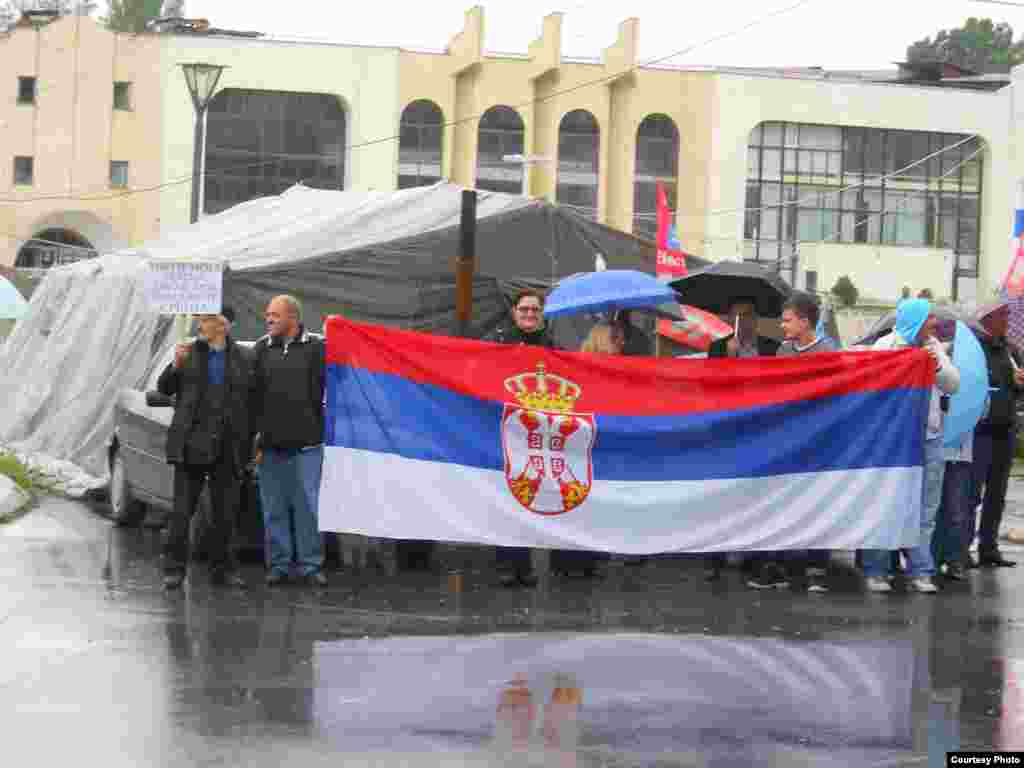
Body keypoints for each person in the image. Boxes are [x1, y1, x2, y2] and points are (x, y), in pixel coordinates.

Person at [861, 299, 960, 594]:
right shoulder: (884, 346)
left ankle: (920, 570)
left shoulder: (933, 347)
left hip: (928, 437)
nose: (935, 324)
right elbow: (868, 385)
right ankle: (877, 569)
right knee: (883, 502)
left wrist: (937, 366)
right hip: (891, 439)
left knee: (925, 508)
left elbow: (953, 385)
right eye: (929, 319)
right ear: (914, 320)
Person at [746, 292, 838, 591]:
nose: (782, 326)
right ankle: (777, 565)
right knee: (780, 501)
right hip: (785, 438)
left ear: (805, 320)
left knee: (816, 501)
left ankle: (817, 567)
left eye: (786, 320)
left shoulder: (827, 351)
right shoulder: (782, 352)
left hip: (817, 441)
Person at [158, 308, 252, 590]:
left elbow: (252, 400)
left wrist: (250, 439)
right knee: (182, 512)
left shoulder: (243, 358)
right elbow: (164, 388)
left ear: (224, 325)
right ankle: (174, 570)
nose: (202, 324)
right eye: (202, 319)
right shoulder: (188, 352)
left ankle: (223, 570)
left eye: (209, 320)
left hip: (228, 445)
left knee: (225, 513)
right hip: (191, 444)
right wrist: (175, 365)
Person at [250, 295, 328, 587]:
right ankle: (279, 566)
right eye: (267, 314)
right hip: (270, 448)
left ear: (293, 318)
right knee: (274, 510)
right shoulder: (260, 350)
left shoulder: (317, 348)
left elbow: (336, 383)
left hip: (308, 446)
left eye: (275, 315)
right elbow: (251, 395)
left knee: (308, 509)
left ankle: (310, 566)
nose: (268, 319)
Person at [703, 297, 780, 581]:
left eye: (748, 315)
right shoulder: (717, 348)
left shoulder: (772, 348)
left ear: (756, 319)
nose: (743, 321)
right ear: (728, 320)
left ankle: (755, 556)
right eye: (737, 315)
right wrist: (728, 361)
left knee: (757, 495)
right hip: (728, 434)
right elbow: (710, 390)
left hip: (761, 431)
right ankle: (717, 557)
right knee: (723, 496)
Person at [484, 289, 556, 587]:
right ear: (514, 312)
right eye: (524, 309)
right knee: (505, 499)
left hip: (539, 434)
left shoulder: (554, 346)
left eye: (535, 310)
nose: (529, 314)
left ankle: (525, 566)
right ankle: (506, 565)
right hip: (504, 430)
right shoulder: (497, 342)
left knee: (530, 498)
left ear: (542, 314)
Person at [969, 303, 1024, 568]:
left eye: (1008, 315)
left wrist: (1019, 383)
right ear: (988, 319)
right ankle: (961, 547)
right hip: (981, 431)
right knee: (972, 492)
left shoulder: (1012, 351)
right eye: (1003, 315)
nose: (1007, 320)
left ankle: (988, 547)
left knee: (997, 493)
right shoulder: (975, 350)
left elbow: (1018, 393)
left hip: (1005, 429)